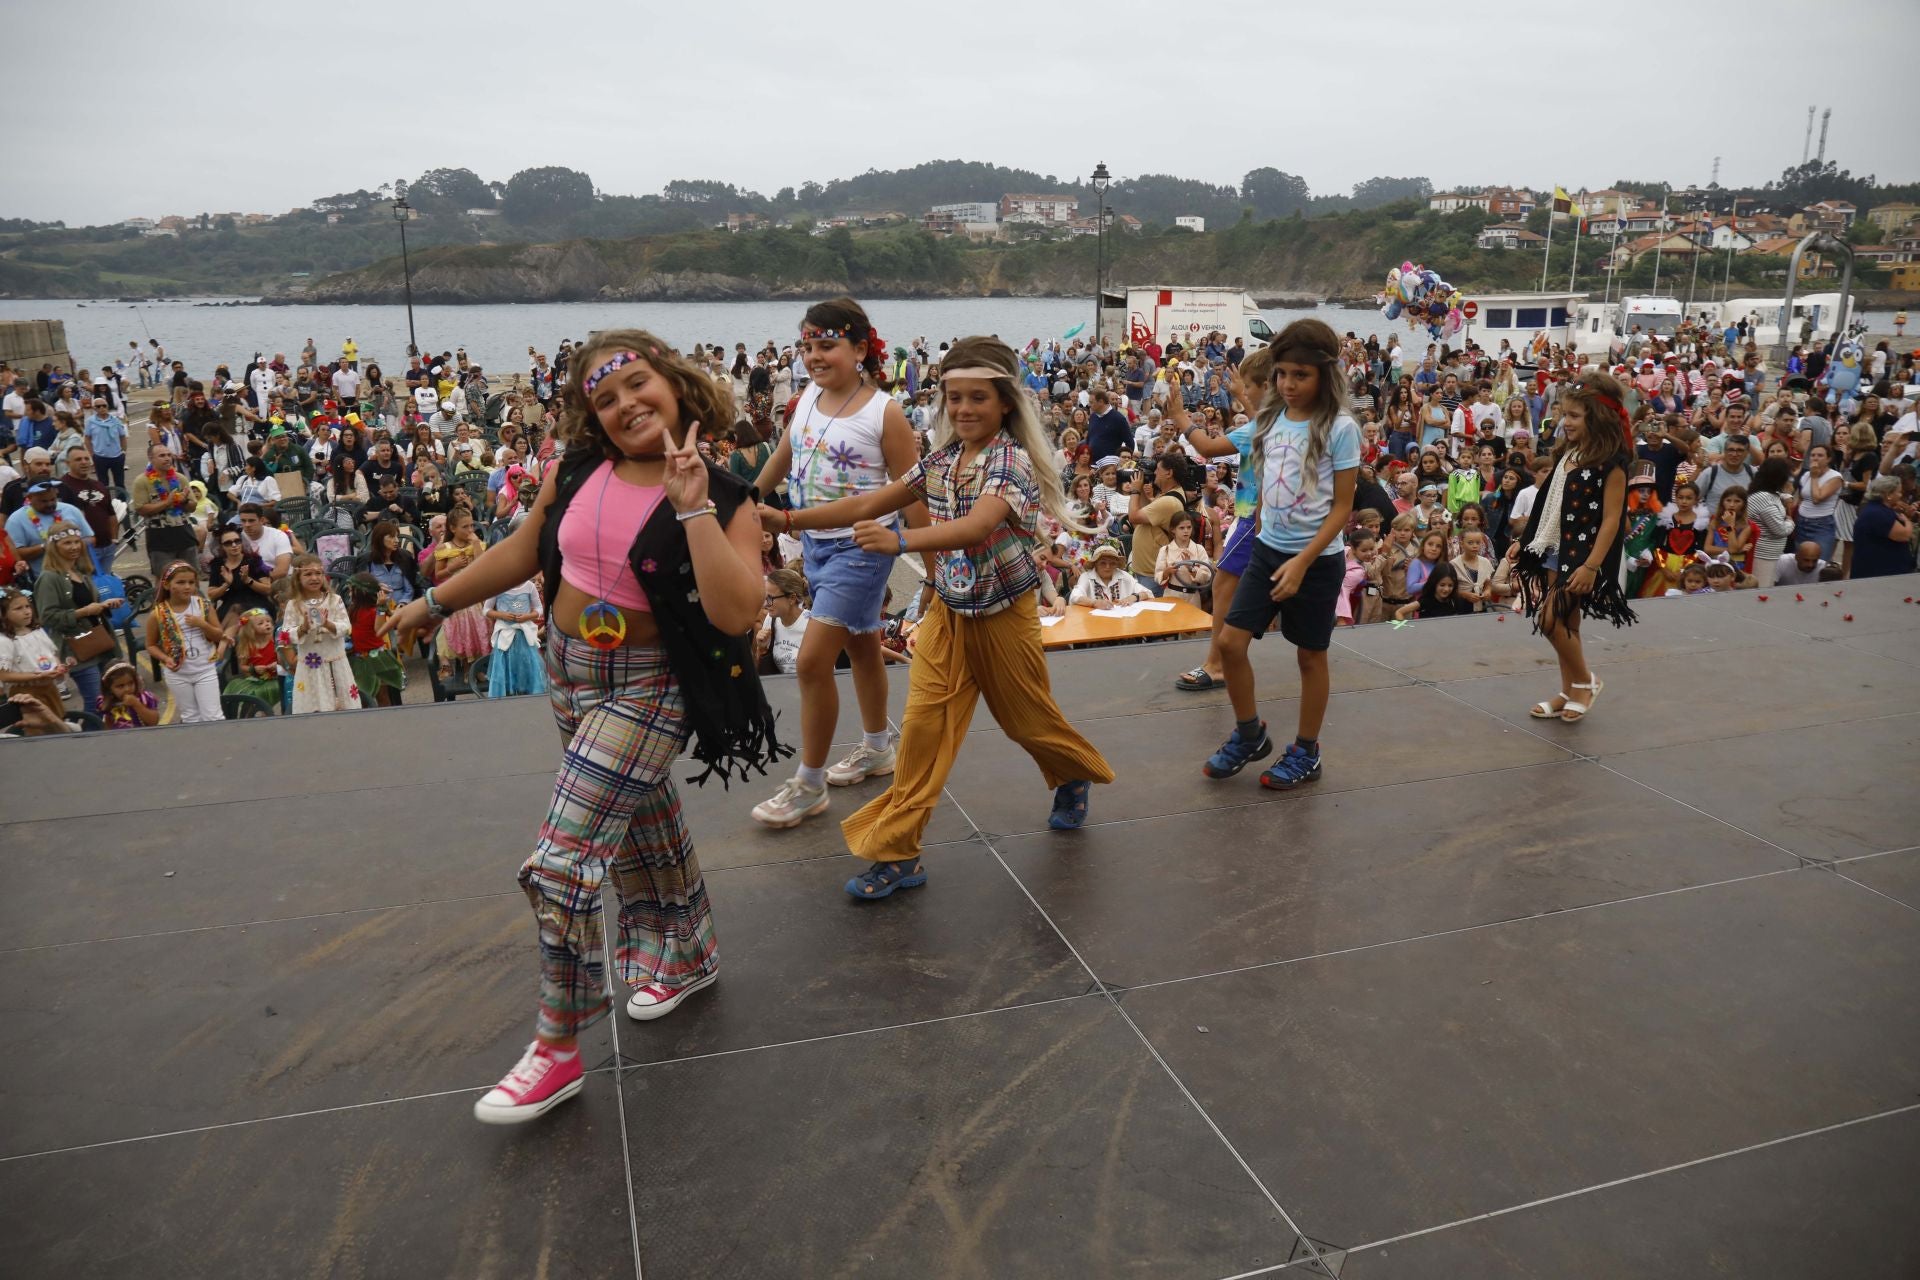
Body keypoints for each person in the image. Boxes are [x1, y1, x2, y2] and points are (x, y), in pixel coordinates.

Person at [389, 328, 777, 1125]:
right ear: (590, 417)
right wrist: (435, 602)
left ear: (674, 385)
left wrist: (693, 505)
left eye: (637, 385)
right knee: (641, 825)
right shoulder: (576, 470)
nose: (626, 405)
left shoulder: (728, 495)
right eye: (605, 398)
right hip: (569, 668)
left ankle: (558, 1046)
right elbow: (526, 551)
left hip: (650, 685)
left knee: (563, 863)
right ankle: (691, 956)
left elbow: (739, 612)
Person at [762, 334, 1112, 899]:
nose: (965, 409)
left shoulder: (1010, 462)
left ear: (1004, 404)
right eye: (955, 398)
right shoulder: (943, 459)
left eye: (978, 398)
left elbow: (976, 527)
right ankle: (898, 855)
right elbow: (866, 503)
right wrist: (787, 518)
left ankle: (1071, 774)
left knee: (1028, 722)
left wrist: (899, 542)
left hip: (1005, 615)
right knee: (923, 733)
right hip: (952, 614)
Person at [746, 298, 929, 829]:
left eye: (826, 345)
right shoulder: (807, 399)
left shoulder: (884, 412)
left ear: (859, 348)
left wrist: (931, 556)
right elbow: (783, 455)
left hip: (862, 547)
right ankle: (877, 747)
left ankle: (808, 782)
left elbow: (911, 492)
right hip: (816, 547)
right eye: (807, 346)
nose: (814, 356)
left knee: (810, 662)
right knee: (864, 645)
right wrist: (745, 498)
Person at [1202, 319, 1359, 790]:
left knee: (1310, 656)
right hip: (1269, 551)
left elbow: (1343, 507)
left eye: (1300, 375)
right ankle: (1250, 734)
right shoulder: (1271, 419)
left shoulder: (1340, 427)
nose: (1288, 385)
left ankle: (1306, 751)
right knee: (1230, 644)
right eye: (1282, 375)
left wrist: (1304, 560)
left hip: (1316, 560)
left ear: (1324, 376)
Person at [1514, 371, 1635, 724]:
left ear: (1597, 418)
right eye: (1563, 414)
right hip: (1557, 547)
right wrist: (1524, 544)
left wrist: (1592, 566)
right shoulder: (1570, 452)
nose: (1564, 422)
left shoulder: (1612, 463)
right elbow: (1548, 503)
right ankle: (1569, 690)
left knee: (1548, 619)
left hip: (1583, 555)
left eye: (1573, 416)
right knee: (1567, 622)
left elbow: (1613, 520)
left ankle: (1586, 681)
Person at [31, 520, 120, 714]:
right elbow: (47, 617)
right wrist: (85, 611)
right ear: (54, 547)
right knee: (94, 703)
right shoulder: (49, 578)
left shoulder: (80, 572)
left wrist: (104, 605)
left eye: (76, 542)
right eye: (67, 543)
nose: (74, 547)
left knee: (109, 700)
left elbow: (86, 604)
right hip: (79, 650)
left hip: (101, 642)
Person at [144, 560, 228, 724]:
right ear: (167, 585)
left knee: (213, 716)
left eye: (191, 582)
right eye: (181, 582)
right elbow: (151, 645)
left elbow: (219, 635)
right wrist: (165, 658)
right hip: (178, 674)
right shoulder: (158, 613)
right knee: (190, 717)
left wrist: (202, 624)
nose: (188, 587)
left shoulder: (203, 605)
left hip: (205, 669)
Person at [281, 554, 361, 713]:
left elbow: (346, 626)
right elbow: (285, 635)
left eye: (318, 573)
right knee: (313, 707)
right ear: (298, 578)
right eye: (308, 574)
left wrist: (327, 624)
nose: (314, 578)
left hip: (336, 662)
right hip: (310, 666)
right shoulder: (293, 605)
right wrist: (302, 628)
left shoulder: (334, 600)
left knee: (343, 706)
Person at [131, 445, 201, 578]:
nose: (167, 458)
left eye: (169, 455)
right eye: (162, 456)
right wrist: (167, 503)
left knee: (192, 578)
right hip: (159, 539)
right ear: (151, 458)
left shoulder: (180, 478)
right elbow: (141, 509)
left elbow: (193, 506)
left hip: (185, 535)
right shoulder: (142, 481)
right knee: (164, 581)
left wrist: (184, 501)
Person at [484, 575, 546, 697]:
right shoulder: (497, 587)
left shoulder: (529, 586)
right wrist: (501, 615)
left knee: (526, 664)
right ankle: (506, 695)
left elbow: (539, 608)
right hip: (505, 634)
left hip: (524, 635)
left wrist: (527, 617)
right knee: (504, 665)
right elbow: (486, 610)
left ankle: (527, 693)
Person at [1746, 457, 1798, 588]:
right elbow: (1780, 530)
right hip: (1762, 555)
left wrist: (1785, 496)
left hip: (1770, 555)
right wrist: (1790, 520)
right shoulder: (1763, 498)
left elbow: (1778, 498)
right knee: (1761, 592)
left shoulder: (1769, 494)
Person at [1850, 477, 1913, 579]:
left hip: (1876, 571)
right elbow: (1905, 535)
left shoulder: (1875, 509)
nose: (1900, 495)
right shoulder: (1879, 514)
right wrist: (1907, 520)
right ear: (1888, 495)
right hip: (1878, 573)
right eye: (1898, 492)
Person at [753, 567, 811, 676]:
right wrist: (761, 649)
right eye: (765, 598)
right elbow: (759, 673)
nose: (766, 604)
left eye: (770, 598)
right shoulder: (771, 620)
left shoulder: (812, 624)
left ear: (792, 598)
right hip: (781, 688)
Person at [223, 608, 284, 710]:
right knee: (254, 699)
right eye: (261, 623)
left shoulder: (275, 642)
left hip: (276, 679)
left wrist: (276, 665)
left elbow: (284, 659)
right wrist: (253, 669)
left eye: (268, 621)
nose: (267, 624)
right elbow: (243, 666)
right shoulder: (248, 646)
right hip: (256, 681)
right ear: (250, 629)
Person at [1793, 443, 1843, 560]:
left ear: (1828, 459)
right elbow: (1801, 497)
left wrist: (1814, 477)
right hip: (1802, 522)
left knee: (1820, 561)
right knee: (1800, 560)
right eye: (1813, 455)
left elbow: (1817, 498)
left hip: (1821, 524)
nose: (1815, 458)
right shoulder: (1806, 475)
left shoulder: (1835, 477)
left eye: (1820, 455)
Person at [1069, 543, 1145, 605]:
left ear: (1116, 565)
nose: (1107, 567)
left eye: (1112, 563)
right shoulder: (1086, 577)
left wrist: (1133, 597)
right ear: (1095, 564)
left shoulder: (1123, 576)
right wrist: (1094, 603)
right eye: (1103, 563)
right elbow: (1074, 596)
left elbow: (1146, 592)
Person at [97, 661, 160, 729]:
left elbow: (154, 722)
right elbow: (108, 722)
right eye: (120, 686)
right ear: (109, 688)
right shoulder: (107, 702)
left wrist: (136, 704)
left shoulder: (144, 697)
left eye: (131, 683)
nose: (127, 689)